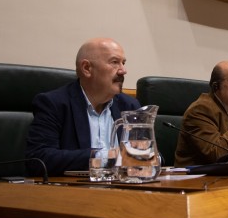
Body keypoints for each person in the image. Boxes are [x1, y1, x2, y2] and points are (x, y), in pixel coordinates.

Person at [25, 37, 141, 176]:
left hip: (124, 191)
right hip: (74, 193)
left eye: (123, 63)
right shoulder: (54, 104)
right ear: (87, 68)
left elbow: (151, 155)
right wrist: (105, 157)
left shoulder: (129, 106)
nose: (123, 70)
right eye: (115, 62)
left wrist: (147, 157)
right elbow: (38, 158)